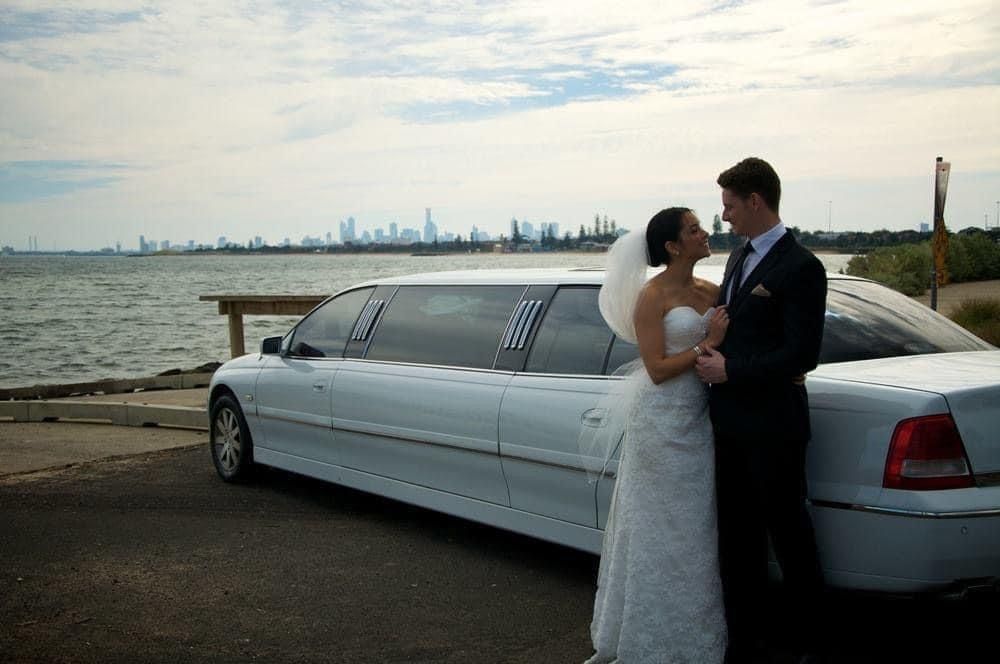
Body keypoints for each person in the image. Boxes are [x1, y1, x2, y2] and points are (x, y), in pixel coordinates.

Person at [695, 157, 827, 664]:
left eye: (729, 205)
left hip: (774, 424)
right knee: (738, 537)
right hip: (728, 423)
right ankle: (744, 639)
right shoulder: (736, 259)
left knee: (789, 533)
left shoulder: (801, 266)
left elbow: (802, 354)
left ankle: (808, 643)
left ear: (755, 201)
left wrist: (732, 370)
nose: (723, 216)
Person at [586, 207, 730, 663]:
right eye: (694, 229)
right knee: (656, 531)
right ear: (672, 245)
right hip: (660, 423)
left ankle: (697, 633)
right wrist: (709, 344)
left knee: (695, 531)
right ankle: (648, 638)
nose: (705, 233)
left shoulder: (712, 289)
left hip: (700, 422)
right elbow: (657, 369)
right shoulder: (652, 296)